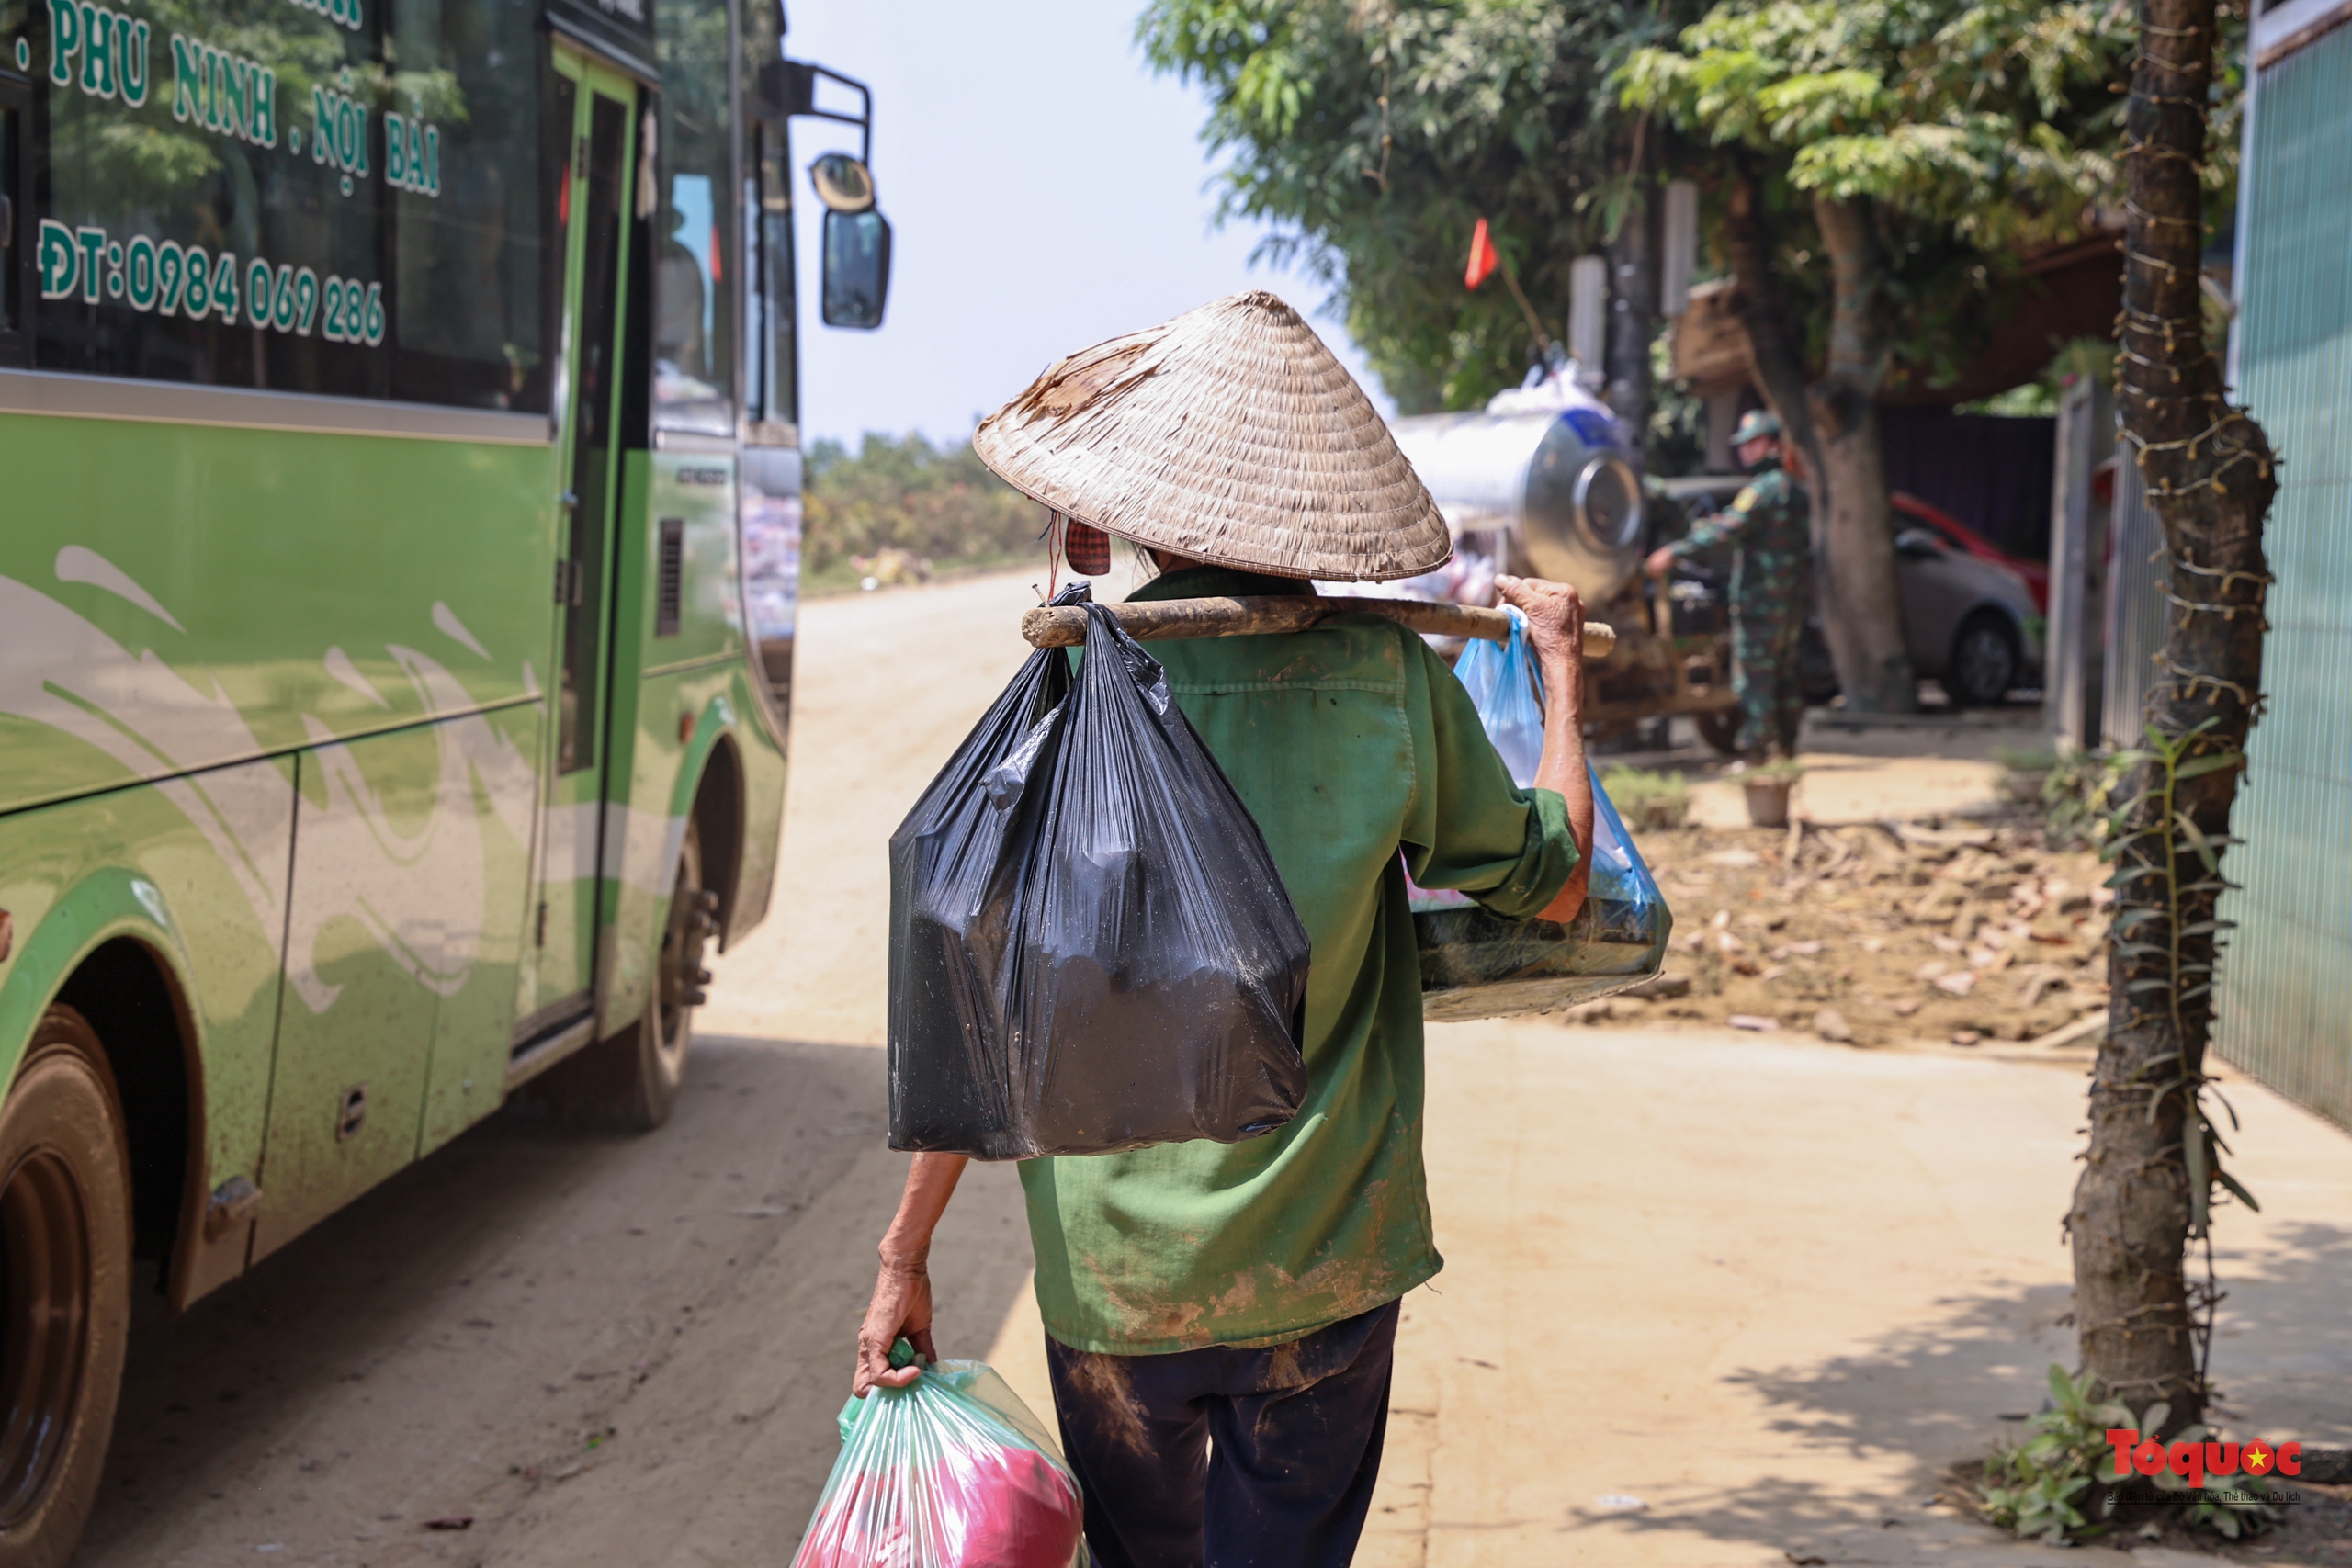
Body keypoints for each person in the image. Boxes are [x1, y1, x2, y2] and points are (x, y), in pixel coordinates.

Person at [851, 291, 1595, 1568]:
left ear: (1131, 515)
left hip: (1117, 1280)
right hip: (1322, 1268)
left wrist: (901, 1253)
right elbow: (1561, 881)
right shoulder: (1392, 678)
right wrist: (1563, 674)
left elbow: (982, 1008)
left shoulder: (1074, 687)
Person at [1645, 408, 1812, 760]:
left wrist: (1673, 552)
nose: (1746, 450)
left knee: (1755, 679)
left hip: (1760, 602)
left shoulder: (1762, 490)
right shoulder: (1793, 489)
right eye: (1743, 444)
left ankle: (1758, 752)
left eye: (1754, 443)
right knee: (1784, 675)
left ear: (1773, 445)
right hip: (1789, 601)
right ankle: (1786, 748)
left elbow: (1727, 531)